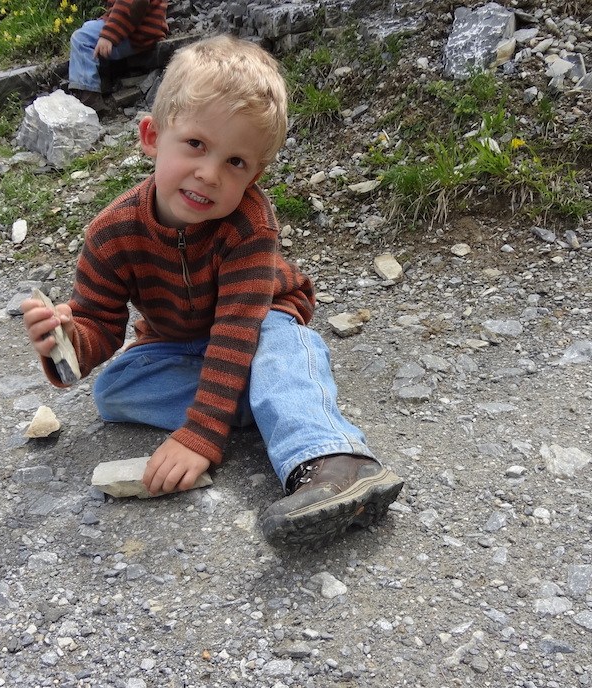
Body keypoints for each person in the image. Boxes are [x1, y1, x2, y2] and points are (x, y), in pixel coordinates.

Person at [22, 35, 403, 548]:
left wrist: (201, 434)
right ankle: (275, 396)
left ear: (255, 175)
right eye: (196, 145)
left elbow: (236, 330)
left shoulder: (248, 225)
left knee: (276, 341)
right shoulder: (110, 234)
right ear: (153, 136)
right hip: (177, 341)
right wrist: (67, 338)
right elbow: (101, 324)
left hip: (258, 322)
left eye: (236, 163)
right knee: (113, 392)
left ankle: (332, 459)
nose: (209, 173)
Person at [67, 0, 168, 110]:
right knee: (88, 27)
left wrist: (109, 35)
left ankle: (89, 99)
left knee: (81, 39)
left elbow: (130, 6)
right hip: (138, 29)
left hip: (137, 33)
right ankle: (100, 80)